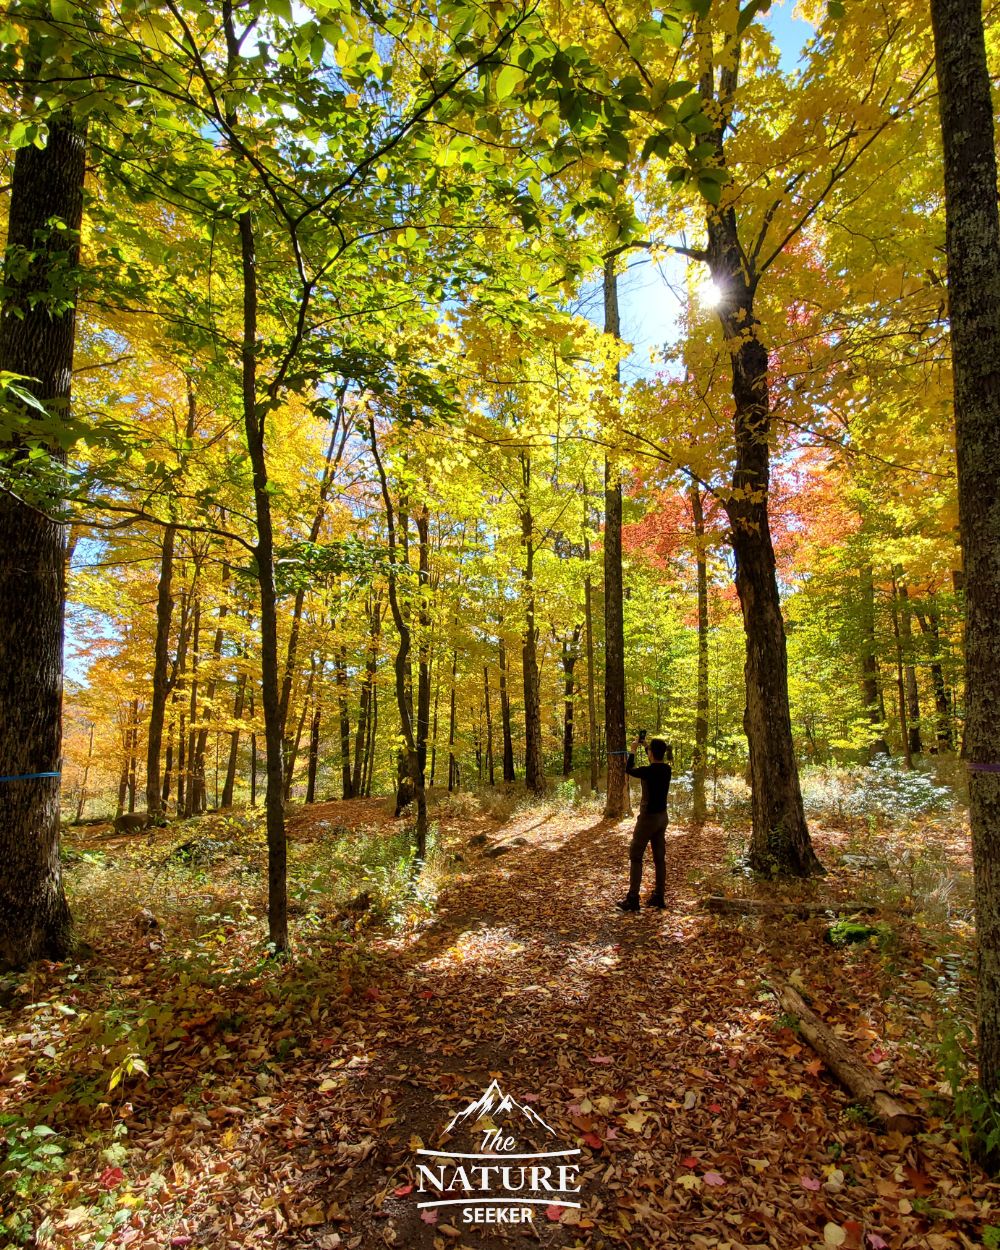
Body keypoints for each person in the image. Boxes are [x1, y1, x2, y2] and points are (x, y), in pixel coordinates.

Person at [615, 735, 672, 912]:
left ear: (651, 754)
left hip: (648, 819)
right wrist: (647, 745)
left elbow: (629, 769)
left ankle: (633, 899)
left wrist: (633, 750)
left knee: (636, 855)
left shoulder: (648, 771)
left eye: (649, 751)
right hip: (662, 818)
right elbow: (655, 757)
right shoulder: (666, 769)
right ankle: (659, 896)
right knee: (659, 858)